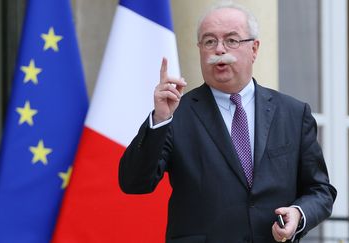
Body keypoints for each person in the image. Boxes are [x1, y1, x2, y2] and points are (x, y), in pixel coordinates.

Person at [119, 2, 337, 243]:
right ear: (200, 49)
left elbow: (320, 191)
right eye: (209, 41)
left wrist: (298, 214)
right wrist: (159, 120)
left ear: (254, 49)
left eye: (232, 40)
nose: (219, 50)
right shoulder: (175, 114)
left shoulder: (293, 113)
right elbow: (134, 183)